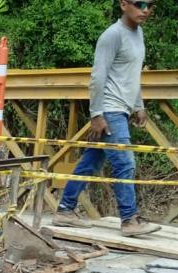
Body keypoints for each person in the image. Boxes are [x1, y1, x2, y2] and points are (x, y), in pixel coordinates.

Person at [52, 0, 161, 238]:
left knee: (91, 163)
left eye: (150, 5)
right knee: (124, 163)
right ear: (123, 4)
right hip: (110, 110)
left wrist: (138, 105)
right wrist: (96, 115)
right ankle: (129, 220)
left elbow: (132, 75)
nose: (145, 10)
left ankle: (64, 209)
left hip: (121, 108)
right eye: (140, 3)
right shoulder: (112, 35)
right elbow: (98, 77)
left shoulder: (138, 33)